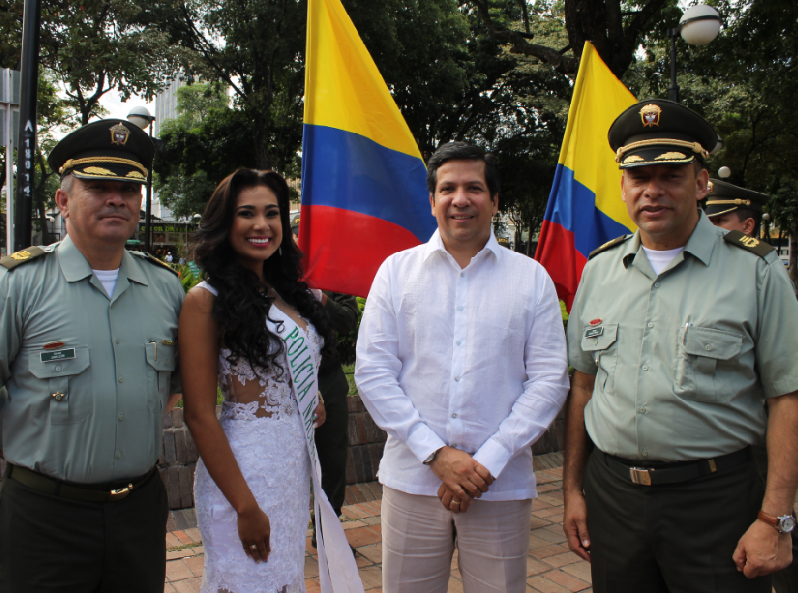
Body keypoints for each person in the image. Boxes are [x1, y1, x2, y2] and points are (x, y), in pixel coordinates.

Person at [562, 99, 798, 593]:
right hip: (614, 499)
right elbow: (583, 387)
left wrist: (775, 519)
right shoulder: (599, 270)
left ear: (701, 183)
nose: (653, 190)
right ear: (623, 187)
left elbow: (789, 397)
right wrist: (573, 490)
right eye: (639, 177)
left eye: (671, 175)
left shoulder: (754, 270)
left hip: (716, 501)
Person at [0, 118, 184, 592]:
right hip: (45, 519)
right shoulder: (14, 285)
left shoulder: (166, 288)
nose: (117, 199)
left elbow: (170, 391)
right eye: (98, 186)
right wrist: (41, 452)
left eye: (129, 189)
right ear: (63, 201)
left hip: (138, 514)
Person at [355, 142, 570, 592]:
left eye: (474, 188)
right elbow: (374, 372)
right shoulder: (396, 272)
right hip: (413, 479)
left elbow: (549, 380)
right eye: (448, 188)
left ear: (495, 200)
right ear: (432, 200)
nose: (460, 199)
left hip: (501, 483)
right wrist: (435, 454)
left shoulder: (530, 277)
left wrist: (488, 461)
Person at [180, 168, 359, 593]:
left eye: (272, 213)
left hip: (291, 470)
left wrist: (309, 399)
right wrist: (244, 506)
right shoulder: (205, 300)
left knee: (284, 580)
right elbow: (199, 415)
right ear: (224, 223)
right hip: (244, 474)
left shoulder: (288, 293)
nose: (261, 224)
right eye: (246, 213)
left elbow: (287, 374)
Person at [705, 180, 798, 593]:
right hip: (715, 435)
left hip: (755, 426)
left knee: (776, 520)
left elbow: (788, 379)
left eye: (718, 220)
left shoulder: (760, 270)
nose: (707, 228)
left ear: (748, 226)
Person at [292, 217, 360, 544]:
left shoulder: (334, 274)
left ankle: (327, 532)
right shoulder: (272, 277)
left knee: (332, 457)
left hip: (328, 379)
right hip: (286, 382)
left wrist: (319, 296)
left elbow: (347, 320)